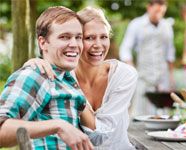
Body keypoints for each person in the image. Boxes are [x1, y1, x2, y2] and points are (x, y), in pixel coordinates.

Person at [23, 7, 138, 150]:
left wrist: (73, 90)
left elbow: (102, 136)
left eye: (104, 37)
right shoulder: (61, 73)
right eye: (89, 38)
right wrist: (34, 62)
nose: (98, 45)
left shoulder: (124, 75)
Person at [0, 6, 93, 150]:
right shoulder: (34, 75)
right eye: (64, 37)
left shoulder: (66, 79)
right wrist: (58, 126)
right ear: (43, 43)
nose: (74, 44)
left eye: (78, 37)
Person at [119, 0, 176, 116]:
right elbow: (125, 48)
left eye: (162, 12)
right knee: (139, 114)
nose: (159, 15)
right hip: (143, 77)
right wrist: (131, 69)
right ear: (149, 7)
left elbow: (170, 52)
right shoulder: (136, 24)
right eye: (156, 11)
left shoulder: (167, 26)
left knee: (163, 114)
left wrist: (171, 76)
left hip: (162, 78)